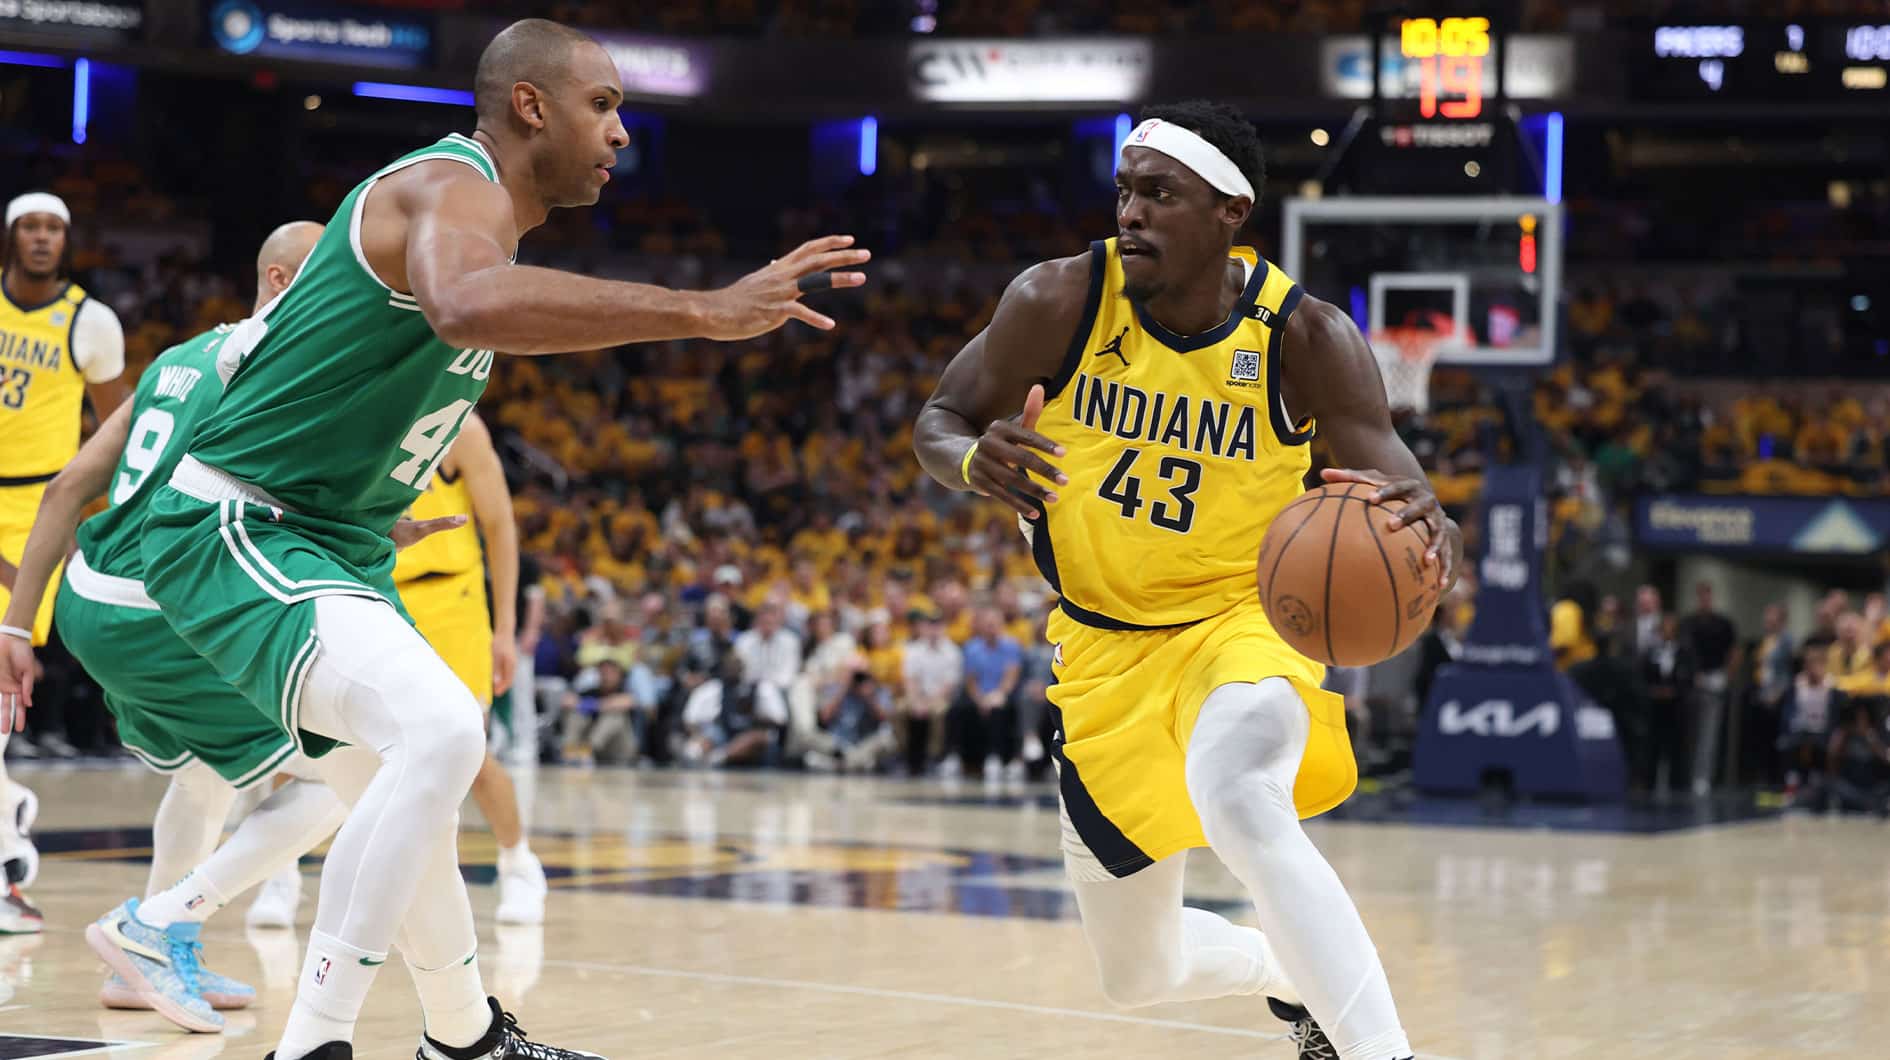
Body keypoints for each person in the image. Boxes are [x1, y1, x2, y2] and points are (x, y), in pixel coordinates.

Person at [110, 19, 867, 1060]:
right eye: (602, 105)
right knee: (443, 733)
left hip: (329, 541)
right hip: (238, 520)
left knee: (398, 794)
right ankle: (314, 1041)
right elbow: (463, 307)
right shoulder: (451, 185)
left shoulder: (488, 226)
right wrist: (701, 309)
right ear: (529, 106)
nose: (622, 134)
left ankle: (464, 1039)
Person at [914, 100, 1460, 1060]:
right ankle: (1287, 972)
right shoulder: (1057, 299)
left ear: (1228, 212)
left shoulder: (1305, 338)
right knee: (1140, 975)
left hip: (1238, 622)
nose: (1131, 212)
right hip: (1098, 648)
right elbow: (941, 415)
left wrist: (1433, 526)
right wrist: (970, 460)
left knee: (1242, 795)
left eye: (1160, 194)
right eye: (1125, 190)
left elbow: (1405, 491)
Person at [0, 222, 460, 1028]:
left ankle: (145, 963)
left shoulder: (177, 359)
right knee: (339, 776)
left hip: (88, 597)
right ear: (282, 281)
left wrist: (14, 627)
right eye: (332, 276)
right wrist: (379, 527)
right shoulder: (278, 368)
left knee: (202, 774)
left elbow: (70, 483)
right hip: (172, 604)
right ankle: (157, 922)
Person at [246, 410, 549, 929]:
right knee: (307, 745)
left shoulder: (465, 430)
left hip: (451, 600)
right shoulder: (354, 410)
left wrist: (505, 629)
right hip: (367, 590)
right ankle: (281, 877)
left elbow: (499, 527)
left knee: (465, 749)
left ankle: (519, 864)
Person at [0, 191, 128, 922]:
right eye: (31, 227)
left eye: (55, 228)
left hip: (36, 515)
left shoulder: (92, 322)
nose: (43, 238)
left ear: (67, 241)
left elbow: (127, 429)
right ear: (12, 235)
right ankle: (11, 812)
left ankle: (5, 852)